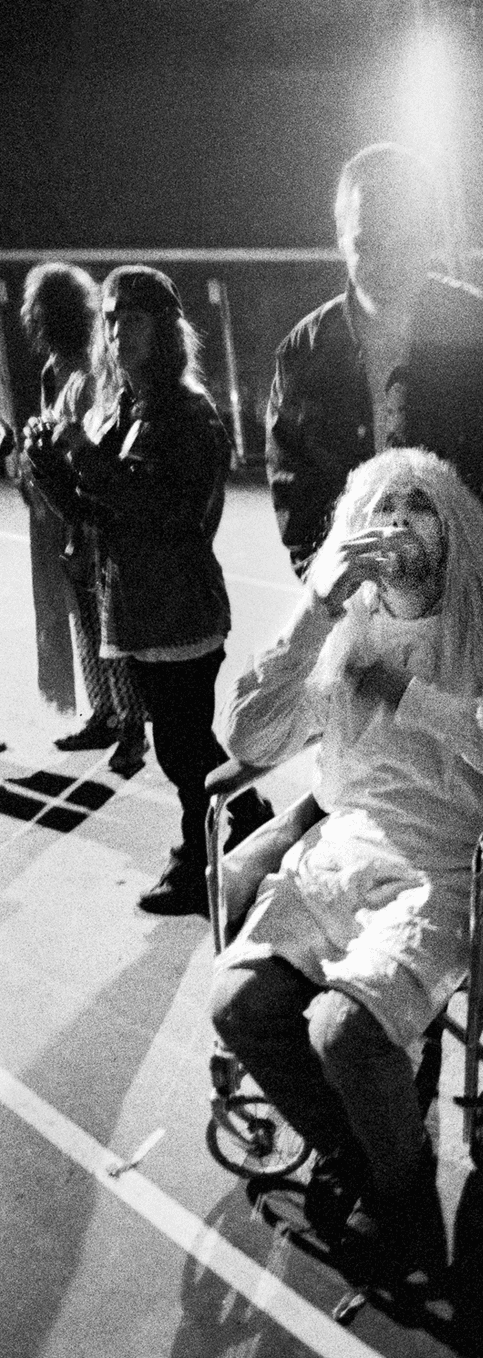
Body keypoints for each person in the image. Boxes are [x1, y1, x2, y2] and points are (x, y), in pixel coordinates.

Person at [209, 446, 483, 1281]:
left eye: (416, 505)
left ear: (450, 525)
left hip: (452, 861)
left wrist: (416, 700)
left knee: (341, 1030)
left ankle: (407, 1197)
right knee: (236, 1003)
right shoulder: (340, 623)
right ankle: (359, 1149)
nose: (395, 524)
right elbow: (243, 737)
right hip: (343, 840)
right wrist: (313, 607)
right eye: (379, 508)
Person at [265, 141, 483, 661]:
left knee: (478, 739)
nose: (386, 256)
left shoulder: (477, 331)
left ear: (426, 237)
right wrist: (326, 591)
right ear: (341, 238)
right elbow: (296, 492)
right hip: (367, 613)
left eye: (403, 236)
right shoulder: (302, 355)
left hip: (474, 602)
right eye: (368, 238)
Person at [22, 264, 271, 915]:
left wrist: (84, 451)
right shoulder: (120, 407)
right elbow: (91, 513)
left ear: (164, 327)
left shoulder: (187, 414)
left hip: (181, 610)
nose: (116, 329)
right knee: (186, 741)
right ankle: (250, 817)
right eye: (109, 317)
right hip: (137, 610)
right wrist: (48, 464)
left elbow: (168, 511)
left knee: (181, 745)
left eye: (132, 317)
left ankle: (199, 861)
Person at [18, 262, 147, 773]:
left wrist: (70, 447)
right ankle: (103, 714)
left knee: (111, 619)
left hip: (92, 504)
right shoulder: (53, 370)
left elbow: (101, 436)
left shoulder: (96, 368)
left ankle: (133, 725)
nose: (36, 322)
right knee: (82, 617)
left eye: (43, 313)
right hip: (61, 509)